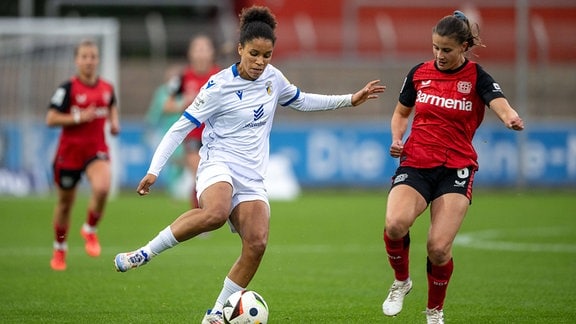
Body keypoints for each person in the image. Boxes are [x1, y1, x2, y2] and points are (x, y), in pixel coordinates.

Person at [113, 5, 385, 324]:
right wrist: (154, 170)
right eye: (254, 53)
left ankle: (215, 313)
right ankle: (144, 253)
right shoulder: (217, 86)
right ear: (240, 48)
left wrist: (349, 99)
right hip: (218, 164)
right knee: (214, 213)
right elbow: (180, 126)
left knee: (257, 244)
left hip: (252, 177)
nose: (259, 62)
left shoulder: (273, 79)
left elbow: (302, 99)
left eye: (266, 55)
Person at [380, 10, 524, 324]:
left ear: (464, 47)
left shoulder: (477, 76)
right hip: (416, 162)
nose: (439, 55)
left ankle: (434, 311)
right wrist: (396, 137)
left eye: (447, 49)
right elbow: (402, 112)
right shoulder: (419, 72)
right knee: (394, 225)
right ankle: (402, 281)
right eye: (435, 47)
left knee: (438, 248)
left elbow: (497, 100)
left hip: (456, 168)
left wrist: (509, 116)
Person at [46, 39, 120, 271]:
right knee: (65, 204)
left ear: (97, 60)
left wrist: (114, 122)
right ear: (77, 60)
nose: (89, 61)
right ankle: (60, 249)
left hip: (96, 150)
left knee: (102, 187)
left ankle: (89, 229)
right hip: (69, 154)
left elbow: (111, 105)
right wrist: (78, 118)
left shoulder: (107, 88)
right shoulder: (67, 88)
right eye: (84, 57)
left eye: (93, 57)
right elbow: (50, 119)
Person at [164, 34, 221, 208]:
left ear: (212, 53)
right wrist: (184, 102)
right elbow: (167, 106)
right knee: (199, 174)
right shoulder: (182, 78)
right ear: (190, 53)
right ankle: (200, 214)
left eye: (205, 48)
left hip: (218, 136)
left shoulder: (221, 76)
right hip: (194, 136)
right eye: (198, 49)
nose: (201, 53)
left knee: (217, 178)